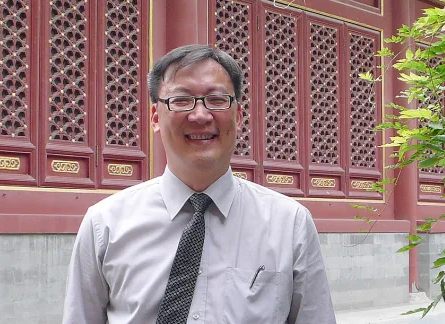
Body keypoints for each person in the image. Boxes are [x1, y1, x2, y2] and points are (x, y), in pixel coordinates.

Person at [62, 44, 336, 324]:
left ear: (238, 117)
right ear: (156, 118)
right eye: (181, 100)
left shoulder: (289, 224)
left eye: (216, 100)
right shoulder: (105, 224)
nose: (200, 115)